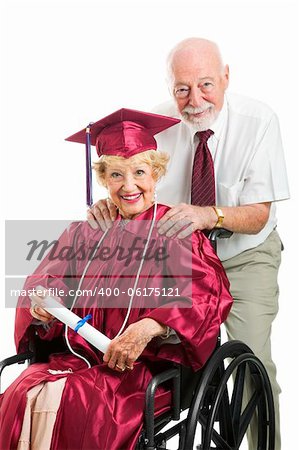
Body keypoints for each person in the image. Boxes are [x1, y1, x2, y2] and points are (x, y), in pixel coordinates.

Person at [88, 39, 290, 449]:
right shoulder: (155, 127)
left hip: (244, 254)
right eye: (182, 89)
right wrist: (106, 207)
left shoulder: (258, 121)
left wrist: (207, 214)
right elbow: (131, 182)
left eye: (206, 85)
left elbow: (258, 216)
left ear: (226, 78)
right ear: (170, 88)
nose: (195, 100)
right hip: (177, 261)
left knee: (252, 360)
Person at [0, 108, 232, 450]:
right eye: (116, 175)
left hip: (138, 371)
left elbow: (204, 294)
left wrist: (151, 325)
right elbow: (44, 279)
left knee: (78, 402)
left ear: (155, 174)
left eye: (139, 172)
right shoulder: (85, 231)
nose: (129, 186)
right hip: (75, 358)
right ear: (103, 179)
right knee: (22, 391)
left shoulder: (176, 231)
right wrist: (42, 304)